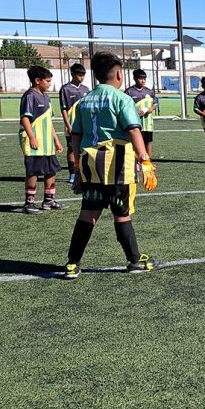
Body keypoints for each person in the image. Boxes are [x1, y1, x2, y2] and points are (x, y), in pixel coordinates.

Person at [64, 51, 161, 279]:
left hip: (90, 164)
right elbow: (133, 129)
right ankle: (134, 260)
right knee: (122, 213)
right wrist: (145, 160)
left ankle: (72, 263)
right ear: (119, 73)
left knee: (88, 213)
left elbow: (76, 134)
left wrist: (77, 167)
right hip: (117, 165)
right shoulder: (122, 99)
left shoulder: (84, 100)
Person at [19, 65, 64, 214]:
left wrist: (56, 140)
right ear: (37, 80)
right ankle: (29, 203)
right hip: (35, 142)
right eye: (47, 81)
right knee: (33, 172)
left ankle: (48, 201)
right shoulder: (30, 96)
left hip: (47, 143)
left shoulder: (46, 96)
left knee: (51, 170)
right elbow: (25, 118)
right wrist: (32, 137)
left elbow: (48, 121)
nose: (49, 84)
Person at [58, 63, 89, 184]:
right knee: (72, 148)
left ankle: (84, 171)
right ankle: (72, 172)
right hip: (71, 124)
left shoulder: (86, 89)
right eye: (79, 75)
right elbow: (63, 109)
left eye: (83, 75)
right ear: (72, 74)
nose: (81, 77)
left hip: (85, 125)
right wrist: (68, 125)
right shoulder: (65, 89)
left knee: (85, 147)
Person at [124, 69, 158, 159]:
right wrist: (135, 111)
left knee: (148, 141)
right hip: (134, 122)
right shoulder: (129, 92)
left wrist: (151, 109)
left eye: (144, 79)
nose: (143, 81)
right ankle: (136, 161)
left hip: (147, 123)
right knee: (135, 141)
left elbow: (155, 103)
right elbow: (125, 106)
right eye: (140, 78)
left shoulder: (149, 92)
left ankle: (148, 160)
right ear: (134, 78)